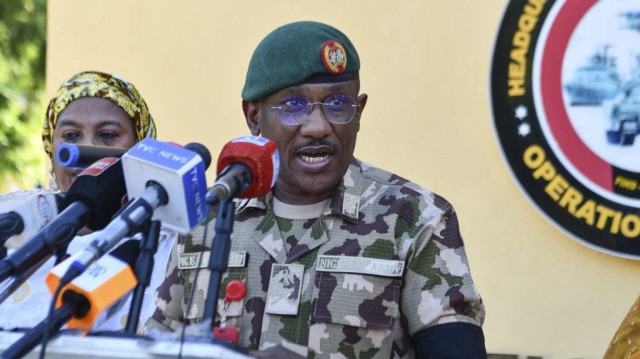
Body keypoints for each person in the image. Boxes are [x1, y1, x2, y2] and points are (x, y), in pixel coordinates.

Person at [145, 21, 486, 358]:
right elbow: (152, 348)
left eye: (338, 104)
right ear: (253, 117)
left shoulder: (414, 218)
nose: (318, 127)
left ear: (359, 112)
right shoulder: (209, 217)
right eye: (293, 106)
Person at [0, 70, 173, 333]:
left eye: (107, 135)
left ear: (140, 150)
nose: (86, 152)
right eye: (71, 136)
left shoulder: (168, 245)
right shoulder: (16, 229)